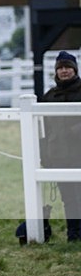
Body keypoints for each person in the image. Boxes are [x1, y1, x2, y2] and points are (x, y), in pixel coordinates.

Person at [40, 51, 81, 242]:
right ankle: (73, 234)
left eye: (68, 67)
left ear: (74, 69)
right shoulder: (49, 96)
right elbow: (42, 129)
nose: (64, 71)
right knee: (68, 197)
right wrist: (45, 155)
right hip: (58, 154)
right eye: (61, 68)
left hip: (78, 152)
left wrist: (74, 131)